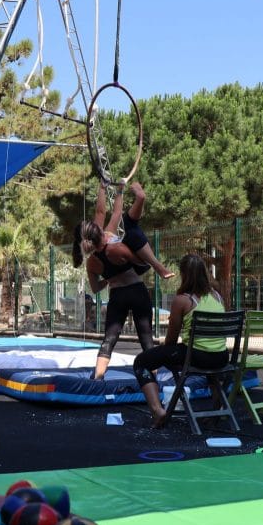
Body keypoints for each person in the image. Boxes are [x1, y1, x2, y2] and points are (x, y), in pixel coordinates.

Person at [132, 253, 230, 428]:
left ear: (184, 274)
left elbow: (171, 340)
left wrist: (162, 350)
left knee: (141, 362)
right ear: (204, 273)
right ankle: (217, 410)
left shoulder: (183, 300)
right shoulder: (217, 296)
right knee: (212, 371)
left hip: (195, 356)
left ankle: (157, 410)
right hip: (220, 357)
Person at [74, 221, 156, 382]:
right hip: (137, 290)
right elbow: (143, 264)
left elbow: (96, 288)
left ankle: (98, 377)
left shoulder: (91, 262)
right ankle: (154, 379)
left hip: (118, 295)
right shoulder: (117, 248)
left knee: (109, 338)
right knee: (146, 338)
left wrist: (110, 277)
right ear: (100, 233)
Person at [72, 180, 174, 280]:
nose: (95, 223)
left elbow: (116, 213)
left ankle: (140, 199)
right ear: (94, 230)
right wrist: (103, 188)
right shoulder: (111, 249)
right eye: (91, 224)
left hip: (131, 271)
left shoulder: (100, 245)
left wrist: (119, 191)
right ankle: (157, 265)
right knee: (130, 230)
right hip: (140, 264)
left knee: (127, 224)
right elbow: (100, 212)